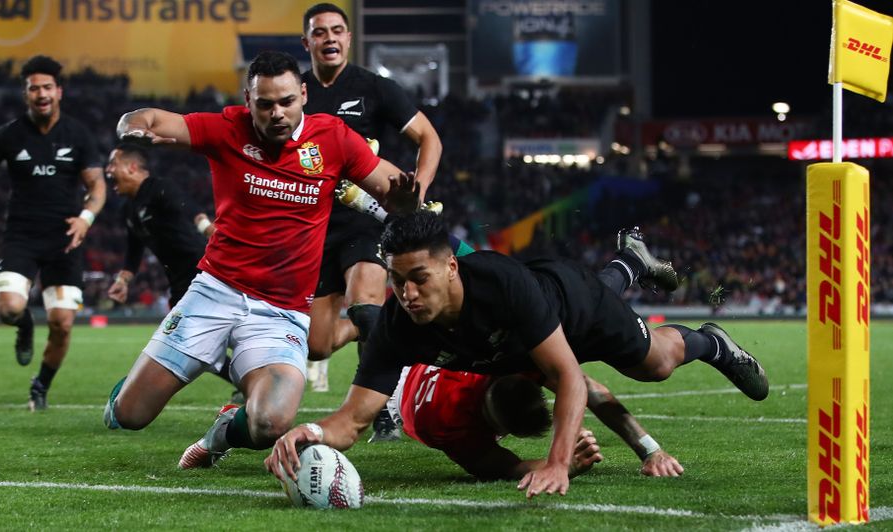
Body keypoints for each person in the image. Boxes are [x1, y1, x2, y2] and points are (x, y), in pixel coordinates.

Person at [265, 211, 768, 499]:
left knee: (655, 364)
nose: (408, 294)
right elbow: (353, 420)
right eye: (397, 281)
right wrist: (310, 432)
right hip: (523, 341)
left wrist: (558, 464)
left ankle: (712, 342)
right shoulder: (399, 324)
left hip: (575, 307)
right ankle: (629, 263)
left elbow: (569, 377)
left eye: (419, 278)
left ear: (451, 268)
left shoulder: (501, 286)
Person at [100, 52, 419, 472]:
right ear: (248, 100)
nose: (277, 113)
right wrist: (132, 127)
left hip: (282, 312)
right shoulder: (226, 128)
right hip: (214, 293)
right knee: (130, 415)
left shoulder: (334, 138)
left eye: (287, 101)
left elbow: (390, 189)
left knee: (270, 422)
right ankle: (127, 397)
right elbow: (150, 119)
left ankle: (220, 434)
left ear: (303, 94)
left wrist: (405, 200)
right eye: (265, 104)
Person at [300, 2, 442, 443]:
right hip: (315, 226)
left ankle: (383, 408)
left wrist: (417, 192)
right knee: (318, 344)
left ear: (348, 38)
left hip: (367, 219)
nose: (329, 38)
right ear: (307, 42)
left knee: (364, 303)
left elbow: (429, 137)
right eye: (319, 32)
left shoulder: (375, 88)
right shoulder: (296, 94)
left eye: (336, 30)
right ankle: (386, 325)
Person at [0, 55, 106, 411]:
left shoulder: (78, 135)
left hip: (65, 239)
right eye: (34, 88)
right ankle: (24, 325)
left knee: (62, 324)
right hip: (21, 236)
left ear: (59, 91)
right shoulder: (10, 134)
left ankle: (40, 386)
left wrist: (86, 218)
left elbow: (96, 186)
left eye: (47, 87)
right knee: (8, 308)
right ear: (26, 94)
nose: (41, 94)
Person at [392, 364, 684, 480]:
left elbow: (586, 388)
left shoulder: (507, 356)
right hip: (401, 395)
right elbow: (504, 467)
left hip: (437, 363)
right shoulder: (446, 423)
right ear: (500, 432)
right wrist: (563, 465)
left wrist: (650, 450)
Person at [104, 143, 236, 391]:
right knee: (193, 340)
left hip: (200, 271)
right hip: (178, 281)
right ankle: (247, 380)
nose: (108, 170)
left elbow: (189, 208)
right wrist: (123, 281)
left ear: (132, 167)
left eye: (113, 164)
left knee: (205, 335)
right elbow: (134, 250)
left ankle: (262, 366)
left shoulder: (158, 188)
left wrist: (207, 228)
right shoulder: (129, 209)